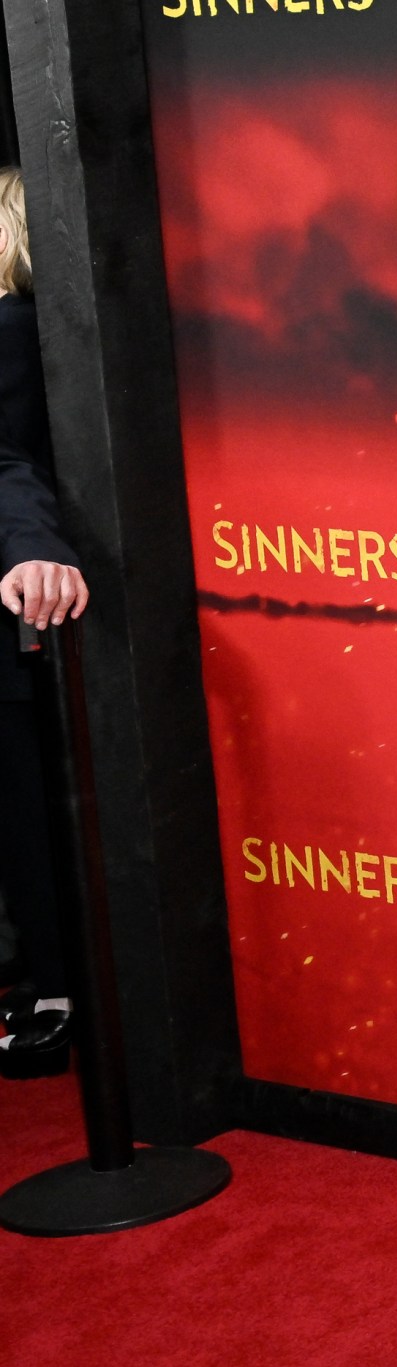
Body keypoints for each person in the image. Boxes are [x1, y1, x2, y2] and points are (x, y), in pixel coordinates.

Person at [0, 164, 82, 1062]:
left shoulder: (7, 330)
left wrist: (30, 550)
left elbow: (7, 467)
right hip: (33, 602)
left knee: (31, 822)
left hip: (24, 614)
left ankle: (52, 994)